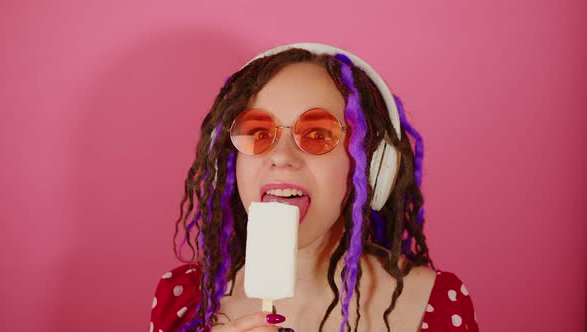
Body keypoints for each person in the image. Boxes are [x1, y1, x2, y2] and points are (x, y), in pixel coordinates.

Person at [149, 43, 479, 332]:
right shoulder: (182, 302)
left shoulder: (434, 303)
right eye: (259, 132)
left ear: (372, 167)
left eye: (318, 135)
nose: (280, 156)